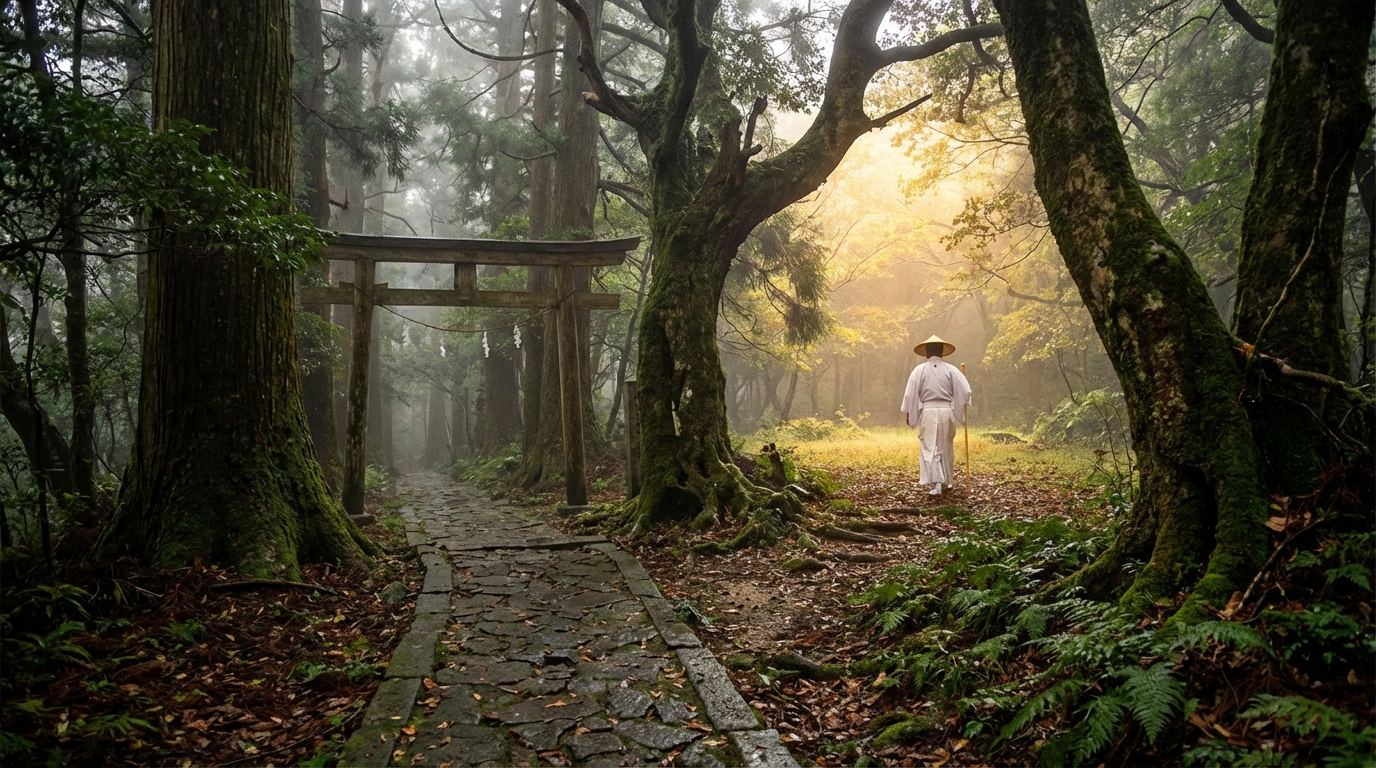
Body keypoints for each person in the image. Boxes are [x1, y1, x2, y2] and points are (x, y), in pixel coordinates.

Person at [900, 335, 972, 495]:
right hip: (947, 412)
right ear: (941, 352)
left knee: (930, 446)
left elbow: (910, 395)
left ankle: (938, 483)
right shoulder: (952, 370)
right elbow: (966, 391)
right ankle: (946, 481)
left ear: (926, 352)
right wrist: (961, 406)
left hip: (929, 412)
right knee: (945, 446)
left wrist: (910, 414)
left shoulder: (919, 370)